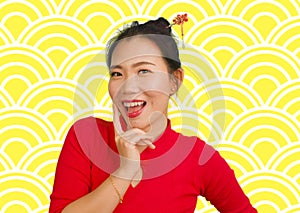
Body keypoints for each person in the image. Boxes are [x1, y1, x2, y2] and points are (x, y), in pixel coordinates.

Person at [49, 17, 257, 213]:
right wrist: (125, 170)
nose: (128, 87)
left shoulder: (198, 157)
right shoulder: (87, 136)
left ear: (174, 81)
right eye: (117, 74)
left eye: (144, 71)